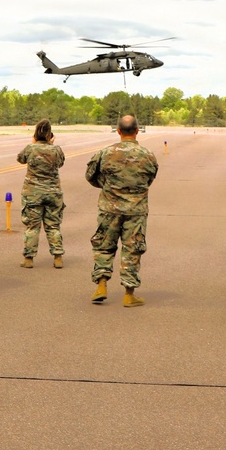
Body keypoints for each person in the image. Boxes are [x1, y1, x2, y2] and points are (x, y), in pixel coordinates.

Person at [85, 115, 158, 307]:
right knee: (132, 249)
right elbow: (150, 178)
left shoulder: (105, 153)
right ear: (137, 130)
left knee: (104, 246)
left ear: (118, 131)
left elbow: (90, 176)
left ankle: (101, 285)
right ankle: (129, 293)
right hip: (135, 209)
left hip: (109, 208)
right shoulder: (148, 154)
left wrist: (108, 187)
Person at [16, 119, 66, 269]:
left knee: (32, 226)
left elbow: (20, 159)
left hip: (33, 193)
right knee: (53, 226)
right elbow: (61, 162)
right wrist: (50, 145)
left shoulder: (30, 148)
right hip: (52, 192)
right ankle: (58, 257)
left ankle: (29, 258)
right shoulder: (56, 150)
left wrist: (34, 143)